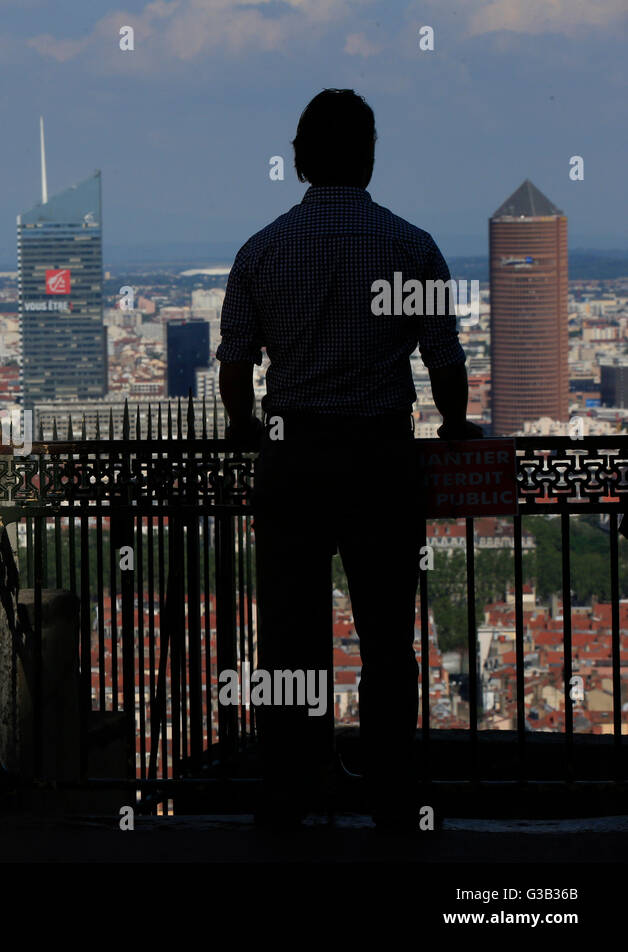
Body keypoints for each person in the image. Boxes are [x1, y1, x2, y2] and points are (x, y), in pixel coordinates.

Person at [215, 90, 482, 833]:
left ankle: (290, 787)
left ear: (298, 159)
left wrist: (244, 425)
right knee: (387, 634)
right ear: (369, 155)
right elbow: (443, 362)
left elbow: (236, 366)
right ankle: (391, 789)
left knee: (291, 633)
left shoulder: (260, 250)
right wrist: (456, 424)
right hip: (380, 458)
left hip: (293, 458)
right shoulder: (411, 246)